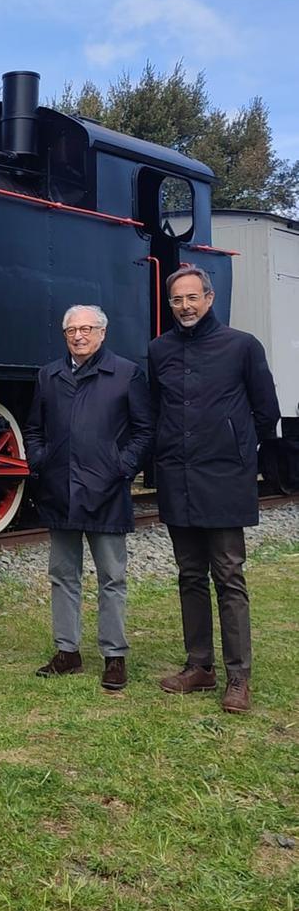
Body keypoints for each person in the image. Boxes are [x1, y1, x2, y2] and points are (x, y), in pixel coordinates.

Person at [149, 264, 280, 714]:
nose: (184, 306)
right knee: (189, 575)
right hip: (177, 476)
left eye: (192, 298)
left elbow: (266, 412)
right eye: (176, 300)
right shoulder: (159, 350)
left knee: (228, 576)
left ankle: (238, 677)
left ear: (209, 298)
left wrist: (238, 451)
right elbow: (155, 409)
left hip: (224, 477)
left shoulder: (242, 346)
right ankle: (199, 667)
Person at [23, 305, 153, 692]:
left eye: (87, 329)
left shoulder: (127, 374)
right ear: (64, 335)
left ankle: (114, 656)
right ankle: (68, 652)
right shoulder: (49, 376)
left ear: (102, 332)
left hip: (108, 491)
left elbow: (145, 430)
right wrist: (40, 460)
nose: (79, 336)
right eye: (71, 331)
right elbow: (33, 428)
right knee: (63, 575)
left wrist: (121, 467)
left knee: (112, 576)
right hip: (60, 489)